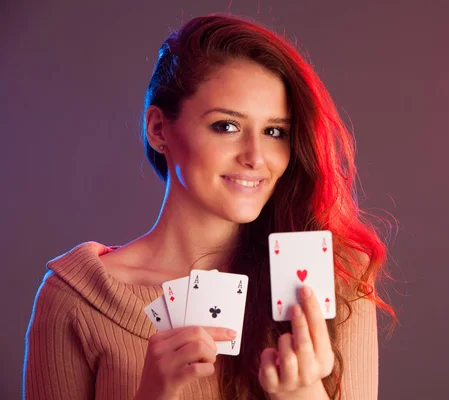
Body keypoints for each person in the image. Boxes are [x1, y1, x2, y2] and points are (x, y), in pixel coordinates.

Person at [23, 14, 396, 400]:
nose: (256, 157)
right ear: (158, 129)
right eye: (226, 126)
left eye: (274, 132)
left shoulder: (336, 280)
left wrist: (303, 394)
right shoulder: (76, 297)